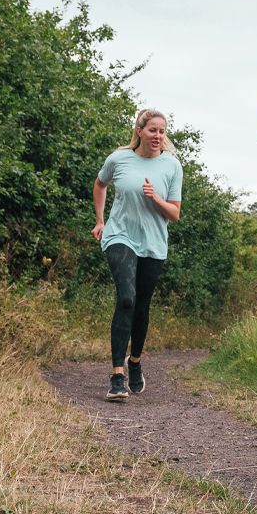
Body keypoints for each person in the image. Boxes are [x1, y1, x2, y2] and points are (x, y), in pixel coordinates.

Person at [91, 109, 183, 401]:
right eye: (153, 130)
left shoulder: (171, 166)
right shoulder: (119, 159)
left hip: (154, 243)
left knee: (141, 305)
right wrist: (100, 220)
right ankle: (117, 374)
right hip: (120, 235)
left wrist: (155, 198)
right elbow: (100, 184)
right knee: (127, 298)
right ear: (140, 131)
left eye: (162, 131)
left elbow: (175, 213)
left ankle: (135, 362)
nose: (158, 136)